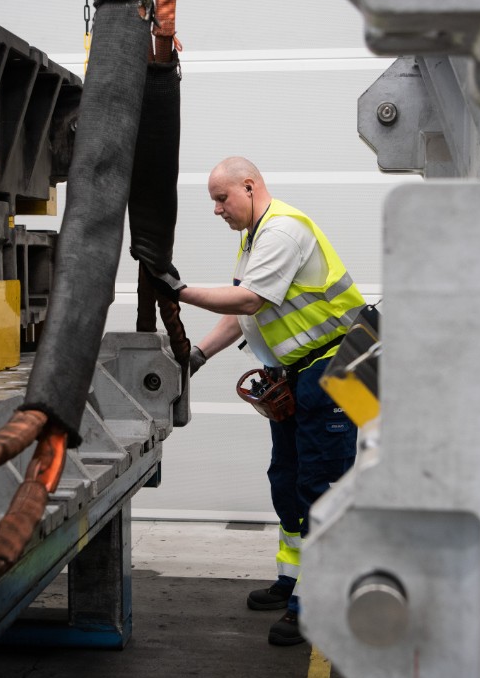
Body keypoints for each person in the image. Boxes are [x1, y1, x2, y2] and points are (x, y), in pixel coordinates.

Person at [145, 156, 365, 646]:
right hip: (300, 373)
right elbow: (248, 314)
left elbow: (248, 301)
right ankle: (293, 581)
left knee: (321, 487)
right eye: (214, 202)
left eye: (222, 199)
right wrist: (198, 354)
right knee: (286, 478)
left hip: (334, 368)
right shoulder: (255, 237)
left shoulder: (283, 232)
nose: (218, 210)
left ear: (249, 186)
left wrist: (179, 291)